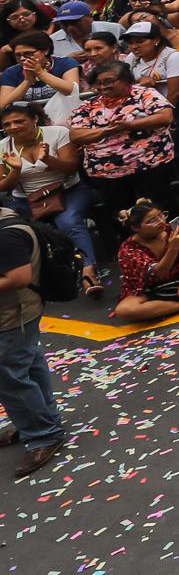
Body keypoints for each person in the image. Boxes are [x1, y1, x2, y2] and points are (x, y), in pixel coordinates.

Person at [0, 190, 61, 475]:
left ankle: (42, 435)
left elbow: (18, 277)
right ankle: (44, 420)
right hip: (19, 315)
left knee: (11, 379)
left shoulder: (6, 235)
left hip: (12, 317)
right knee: (30, 367)